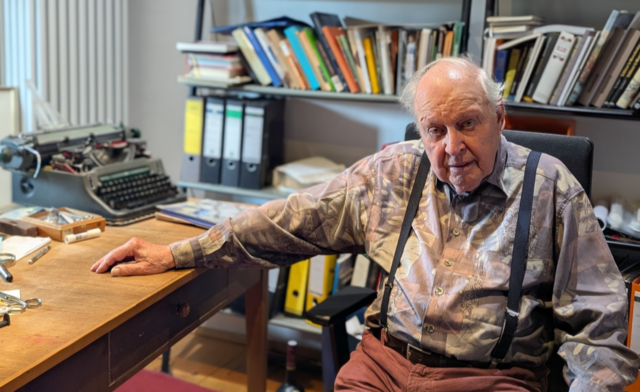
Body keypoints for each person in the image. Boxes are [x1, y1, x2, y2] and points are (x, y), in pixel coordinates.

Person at [92, 57, 640, 391]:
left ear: (500, 118)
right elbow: (289, 220)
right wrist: (179, 253)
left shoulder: (551, 189)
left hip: (489, 378)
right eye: (435, 130)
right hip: (383, 367)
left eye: (468, 123)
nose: (451, 147)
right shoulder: (394, 173)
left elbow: (600, 325)